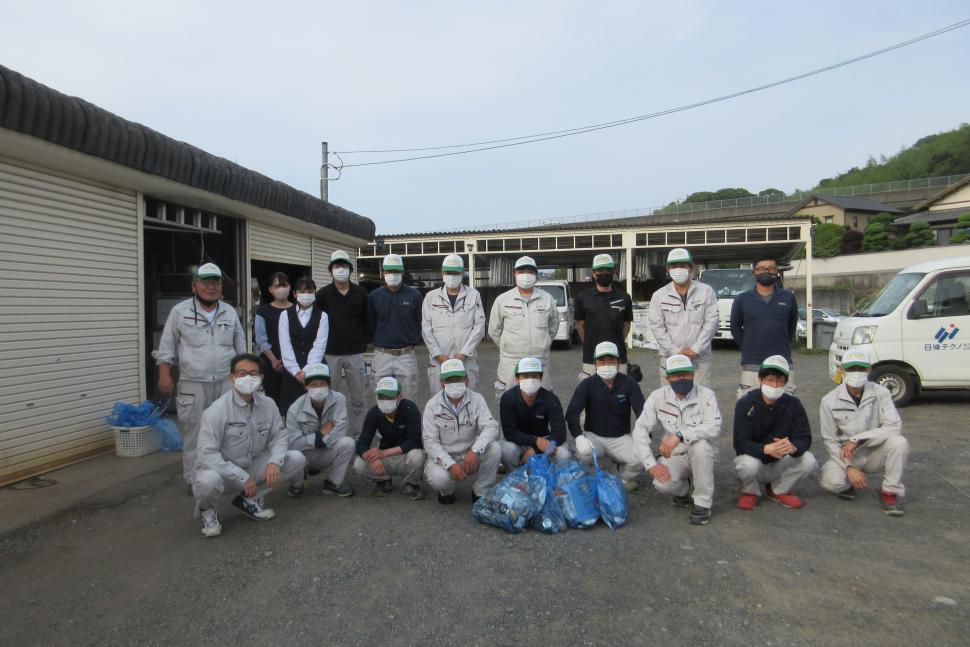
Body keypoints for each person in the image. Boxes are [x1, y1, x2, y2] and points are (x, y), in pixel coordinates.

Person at [192, 353, 306, 538]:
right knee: (207, 481)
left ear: (261, 378)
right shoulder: (217, 411)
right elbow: (206, 454)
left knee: (296, 459)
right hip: (223, 472)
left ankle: (248, 499)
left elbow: (279, 437)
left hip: (251, 465)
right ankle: (208, 511)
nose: (247, 378)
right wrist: (241, 477)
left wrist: (274, 462)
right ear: (232, 378)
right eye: (242, 373)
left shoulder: (268, 404)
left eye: (253, 374)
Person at [154, 262, 247, 488]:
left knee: (230, 430)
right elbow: (166, 346)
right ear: (195, 286)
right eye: (205, 282)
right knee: (195, 432)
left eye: (215, 282)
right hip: (192, 383)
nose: (211, 287)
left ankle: (226, 474)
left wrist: (244, 379)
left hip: (227, 381)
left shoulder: (229, 311)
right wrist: (164, 373)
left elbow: (241, 348)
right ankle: (193, 478)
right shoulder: (180, 311)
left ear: (221, 286)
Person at [632, 354, 721, 525]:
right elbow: (640, 430)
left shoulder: (706, 395)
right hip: (676, 456)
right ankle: (684, 490)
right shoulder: (657, 397)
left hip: (702, 455)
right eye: (677, 375)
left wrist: (680, 435)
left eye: (686, 374)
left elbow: (714, 427)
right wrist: (650, 464)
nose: (683, 378)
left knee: (700, 446)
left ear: (693, 374)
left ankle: (702, 503)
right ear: (668, 378)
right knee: (661, 482)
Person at [819, 349, 909, 516]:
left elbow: (894, 425)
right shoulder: (829, 400)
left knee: (899, 442)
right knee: (831, 482)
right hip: (846, 455)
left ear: (869, 369)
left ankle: (889, 492)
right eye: (851, 369)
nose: (856, 373)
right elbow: (829, 440)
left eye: (861, 368)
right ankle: (849, 484)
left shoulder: (881, 392)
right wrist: (849, 467)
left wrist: (857, 439)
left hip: (874, 450)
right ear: (842, 370)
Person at [733, 355, 817, 511]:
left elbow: (804, 437)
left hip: (780, 462)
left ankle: (779, 489)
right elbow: (740, 442)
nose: (774, 385)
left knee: (808, 460)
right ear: (760, 379)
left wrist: (793, 447)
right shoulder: (745, 403)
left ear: (786, 383)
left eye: (779, 381)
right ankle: (749, 491)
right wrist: (766, 449)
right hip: (756, 460)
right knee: (746, 464)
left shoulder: (794, 404)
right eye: (770, 380)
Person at [566, 341, 646, 491]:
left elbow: (642, 412)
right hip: (594, 436)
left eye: (611, 360)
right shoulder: (587, 384)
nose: (606, 364)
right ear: (595, 363)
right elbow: (572, 412)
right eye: (601, 361)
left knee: (641, 458)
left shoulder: (629, 383)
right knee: (582, 456)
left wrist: (642, 435)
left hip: (620, 437)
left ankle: (618, 474)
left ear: (618, 362)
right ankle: (592, 477)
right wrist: (578, 437)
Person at [422, 359, 502, 504]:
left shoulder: (477, 399)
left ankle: (480, 490)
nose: (454, 383)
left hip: (470, 453)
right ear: (441, 382)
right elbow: (429, 442)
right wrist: (450, 465)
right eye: (449, 379)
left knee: (495, 449)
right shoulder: (432, 405)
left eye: (458, 378)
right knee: (438, 478)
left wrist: (475, 451)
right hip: (445, 455)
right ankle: (447, 491)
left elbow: (491, 427)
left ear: (466, 380)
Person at [316, 250, 371, 438]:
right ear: (331, 270)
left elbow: (367, 320)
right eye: (337, 266)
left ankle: (359, 435)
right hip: (330, 353)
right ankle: (332, 434)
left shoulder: (361, 292)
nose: (340, 269)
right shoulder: (322, 295)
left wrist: (364, 341)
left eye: (344, 266)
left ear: (350, 269)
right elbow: (317, 323)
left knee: (359, 397)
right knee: (329, 396)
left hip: (355, 352)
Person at [487, 255, 559, 398]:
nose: (526, 275)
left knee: (541, 403)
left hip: (540, 360)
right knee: (509, 403)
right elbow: (494, 329)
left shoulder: (547, 299)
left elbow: (553, 326)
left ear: (536, 275)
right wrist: (508, 347)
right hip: (511, 361)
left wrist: (543, 344)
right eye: (521, 271)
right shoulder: (502, 300)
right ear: (515, 274)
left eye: (530, 271)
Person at [729, 254, 799, 399]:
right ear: (754, 272)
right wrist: (748, 346)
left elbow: (791, 327)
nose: (766, 272)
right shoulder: (742, 299)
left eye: (770, 268)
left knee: (785, 410)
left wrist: (782, 344)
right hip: (752, 364)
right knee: (749, 408)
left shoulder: (788, 298)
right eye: (761, 269)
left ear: (777, 271)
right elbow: (735, 328)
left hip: (783, 363)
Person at [647, 248, 718, 386]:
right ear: (668, 269)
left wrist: (696, 349)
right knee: (670, 400)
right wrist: (674, 351)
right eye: (674, 266)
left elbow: (712, 323)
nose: (678, 269)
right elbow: (657, 326)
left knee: (700, 399)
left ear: (691, 267)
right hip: (670, 358)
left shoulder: (706, 291)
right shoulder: (659, 295)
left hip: (699, 359)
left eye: (683, 265)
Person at [284, 363, 356, 497]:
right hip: (304, 455)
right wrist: (321, 433)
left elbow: (341, 430)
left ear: (329, 385)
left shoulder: (338, 398)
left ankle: (333, 483)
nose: (318, 388)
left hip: (324, 451)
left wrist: (319, 441)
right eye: (313, 384)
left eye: (322, 383)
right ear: (306, 386)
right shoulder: (294, 408)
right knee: (294, 456)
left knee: (348, 443)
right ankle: (297, 484)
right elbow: (293, 443)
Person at [353, 377, 426, 500]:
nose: (384, 400)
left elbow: (415, 441)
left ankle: (412, 483)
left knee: (418, 455)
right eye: (381, 396)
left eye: (389, 397)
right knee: (359, 463)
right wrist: (370, 459)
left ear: (399, 396)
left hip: (405, 456)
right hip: (385, 458)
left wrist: (383, 453)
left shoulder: (410, 408)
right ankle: (384, 480)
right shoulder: (374, 413)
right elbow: (362, 444)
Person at [422, 254, 486, 392]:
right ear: (442, 273)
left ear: (462, 273)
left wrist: (462, 354)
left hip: (466, 360)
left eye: (455, 273)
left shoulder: (474, 295)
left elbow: (479, 327)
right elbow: (426, 329)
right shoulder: (431, 297)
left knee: (469, 399)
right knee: (439, 401)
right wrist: (439, 355)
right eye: (448, 272)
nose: (451, 276)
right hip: (438, 361)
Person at [498, 356, 571, 471]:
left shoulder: (551, 399)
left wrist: (536, 448)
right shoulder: (508, 399)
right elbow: (509, 433)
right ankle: (518, 475)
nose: (530, 380)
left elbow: (560, 433)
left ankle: (555, 480)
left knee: (563, 453)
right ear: (517, 379)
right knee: (504, 449)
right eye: (525, 376)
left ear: (541, 379)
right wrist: (536, 441)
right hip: (519, 443)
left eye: (535, 376)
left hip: (544, 441)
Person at [368, 254, 423, 401]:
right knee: (382, 399)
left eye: (396, 271)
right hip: (382, 354)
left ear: (402, 273)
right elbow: (372, 323)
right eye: (389, 271)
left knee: (409, 399)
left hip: (406, 355)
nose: (393, 275)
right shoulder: (374, 296)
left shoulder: (415, 295)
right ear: (383, 273)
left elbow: (418, 321)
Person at [574, 253, 634, 380]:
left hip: (618, 358)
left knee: (618, 394)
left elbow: (627, 324)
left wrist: (617, 341)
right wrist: (589, 343)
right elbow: (580, 324)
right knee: (592, 396)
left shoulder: (624, 297)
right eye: (600, 270)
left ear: (614, 271)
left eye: (608, 270)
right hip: (591, 358)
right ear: (594, 273)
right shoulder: (583, 297)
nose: (604, 273)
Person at [278, 276, 329, 414]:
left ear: (314, 293)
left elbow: (320, 345)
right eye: (302, 291)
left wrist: (307, 370)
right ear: (294, 294)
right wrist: (295, 371)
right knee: (292, 408)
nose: (306, 295)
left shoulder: (322, 316)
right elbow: (285, 345)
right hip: (291, 367)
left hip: (315, 365)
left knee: (317, 405)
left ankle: (318, 435)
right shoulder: (285, 315)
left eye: (309, 291)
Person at [254, 271, 292, 415]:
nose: (281, 289)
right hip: (271, 363)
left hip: (293, 364)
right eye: (277, 286)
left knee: (292, 402)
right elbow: (261, 339)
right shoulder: (263, 311)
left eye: (284, 285)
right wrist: (274, 360)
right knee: (272, 401)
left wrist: (290, 362)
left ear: (290, 287)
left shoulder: (296, 309)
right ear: (270, 289)